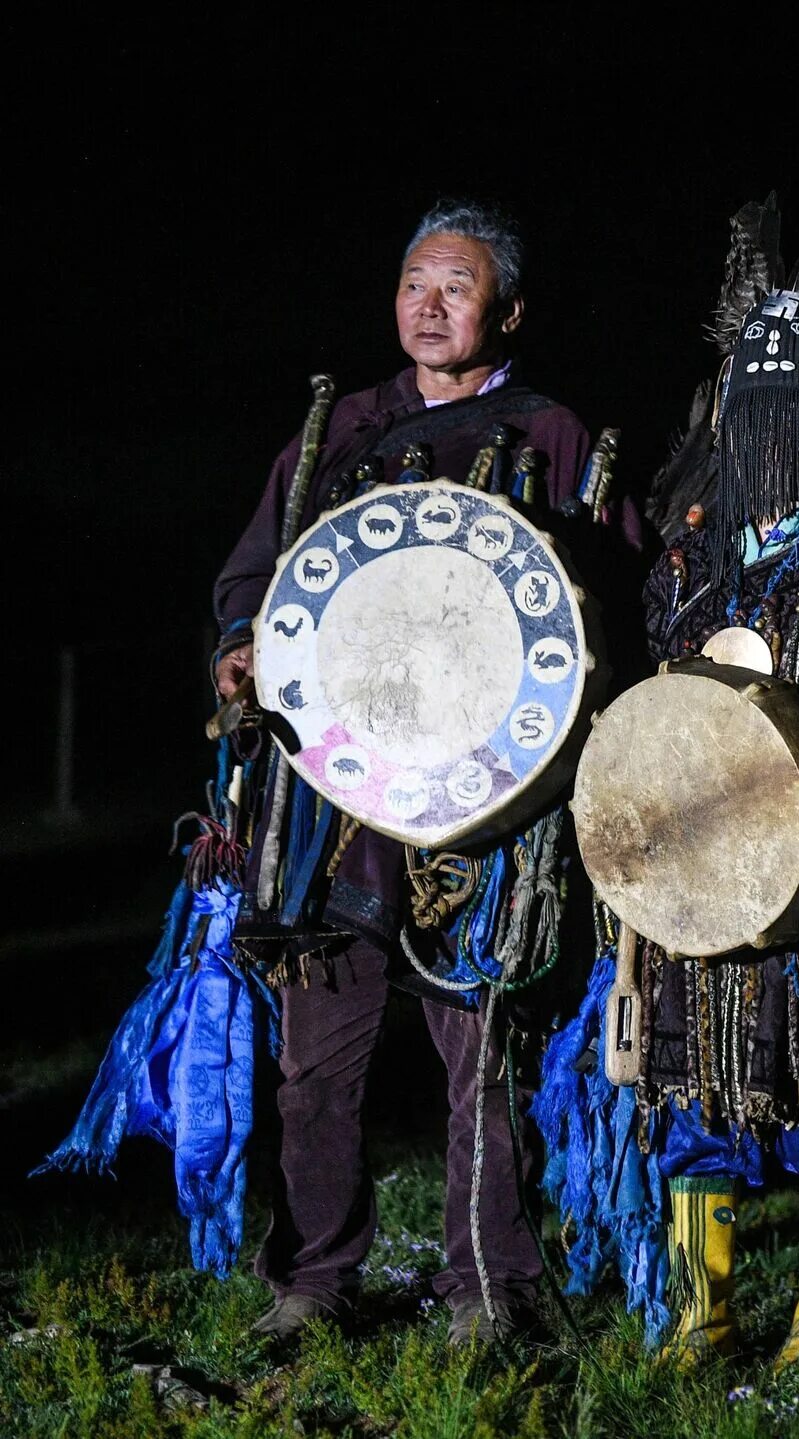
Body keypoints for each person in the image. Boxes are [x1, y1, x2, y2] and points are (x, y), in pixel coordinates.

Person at [534, 147, 799, 1373]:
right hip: (701, 871)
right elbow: (662, 699)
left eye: (793, 401)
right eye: (750, 399)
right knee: (693, 1072)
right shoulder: (690, 563)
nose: (770, 423)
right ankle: (701, 1309)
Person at [213, 200, 643, 1348]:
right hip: (337, 805)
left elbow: (610, 600)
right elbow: (256, 575)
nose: (429, 305)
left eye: (456, 287)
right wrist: (239, 648)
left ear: (507, 306)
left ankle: (488, 1291)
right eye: (414, 283)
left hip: (490, 812)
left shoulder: (553, 434)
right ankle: (311, 1281)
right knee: (314, 1062)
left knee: (482, 1059)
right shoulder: (340, 430)